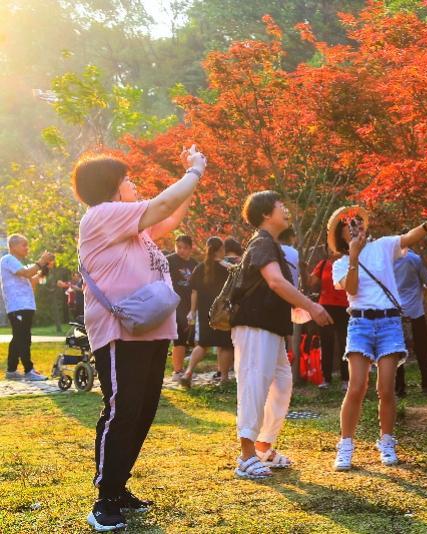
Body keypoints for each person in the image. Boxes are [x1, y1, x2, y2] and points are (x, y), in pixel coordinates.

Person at [73, 146, 205, 531]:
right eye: (128, 180)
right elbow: (163, 205)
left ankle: (119, 485)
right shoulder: (100, 217)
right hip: (119, 332)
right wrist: (194, 171)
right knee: (122, 409)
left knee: (143, 409)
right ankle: (105, 498)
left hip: (150, 327)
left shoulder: (134, 227)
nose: (134, 184)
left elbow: (172, 210)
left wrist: (190, 176)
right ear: (113, 186)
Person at [330, 206, 427, 471]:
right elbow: (353, 288)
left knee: (386, 388)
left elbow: (408, 238)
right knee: (356, 386)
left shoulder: (383, 246)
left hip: (389, 322)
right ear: (341, 233)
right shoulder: (339, 264)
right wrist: (354, 256)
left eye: (358, 221)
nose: (355, 225)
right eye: (348, 224)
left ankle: (387, 441)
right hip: (359, 323)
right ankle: (346, 444)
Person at [229, 191, 332, 480]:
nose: (287, 210)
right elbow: (275, 282)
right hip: (253, 325)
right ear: (265, 214)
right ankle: (246, 456)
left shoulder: (272, 245)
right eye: (280, 206)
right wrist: (311, 306)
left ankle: (262, 446)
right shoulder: (261, 243)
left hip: (271, 327)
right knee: (254, 384)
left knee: (281, 385)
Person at [180, 237, 234, 388]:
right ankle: (224, 379)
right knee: (225, 345)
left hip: (204, 312)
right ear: (221, 250)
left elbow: (194, 292)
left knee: (203, 344)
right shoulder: (227, 268)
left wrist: (192, 311)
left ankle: (188, 373)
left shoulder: (200, 267)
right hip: (222, 312)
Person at [1, 235, 53, 381]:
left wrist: (45, 267)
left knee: (19, 338)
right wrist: (41, 261)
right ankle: (29, 370)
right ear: (13, 246)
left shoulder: (19, 264)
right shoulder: (7, 260)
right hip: (17, 306)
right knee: (23, 338)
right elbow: (27, 273)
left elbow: (33, 280)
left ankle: (11, 370)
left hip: (25, 306)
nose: (27, 248)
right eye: (24, 245)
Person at [393, 246, 427, 396]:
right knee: (422, 350)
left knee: (397, 352)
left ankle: (399, 387)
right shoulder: (415, 259)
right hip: (416, 313)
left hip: (395, 314)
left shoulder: (388, 260)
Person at [309, 251, 350, 391]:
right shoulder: (323, 264)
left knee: (344, 343)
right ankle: (326, 378)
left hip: (345, 307)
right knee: (326, 343)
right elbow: (312, 282)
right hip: (326, 307)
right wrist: (304, 270)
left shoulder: (349, 262)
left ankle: (346, 379)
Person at [166, 235, 197, 381]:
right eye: (179, 247)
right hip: (172, 303)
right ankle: (177, 371)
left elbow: (197, 287)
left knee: (185, 338)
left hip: (189, 304)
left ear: (191, 249)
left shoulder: (194, 264)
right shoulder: (170, 260)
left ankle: (182, 369)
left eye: (185, 248)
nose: (182, 251)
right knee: (178, 337)